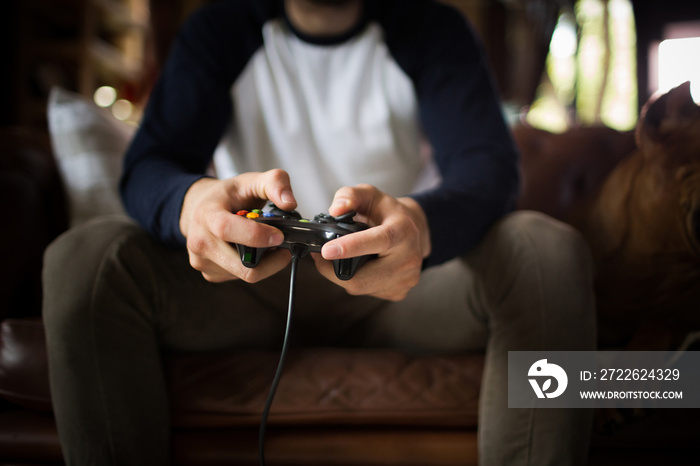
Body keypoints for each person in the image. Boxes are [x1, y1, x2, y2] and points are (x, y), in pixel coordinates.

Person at [42, 0, 597, 464]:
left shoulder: (431, 28)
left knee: (546, 248)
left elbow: (489, 168)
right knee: (84, 257)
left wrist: (418, 227)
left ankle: (655, 386)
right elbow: (149, 164)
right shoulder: (220, 29)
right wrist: (194, 206)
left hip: (401, 288)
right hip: (245, 285)